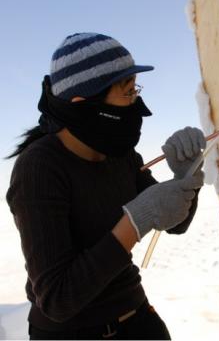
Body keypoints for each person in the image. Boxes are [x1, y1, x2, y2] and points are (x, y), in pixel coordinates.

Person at [6, 32, 206, 340]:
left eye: (136, 90)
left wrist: (185, 179)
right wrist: (133, 224)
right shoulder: (38, 168)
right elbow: (57, 298)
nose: (138, 104)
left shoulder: (119, 154)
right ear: (83, 104)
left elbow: (175, 223)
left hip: (138, 319)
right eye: (127, 93)